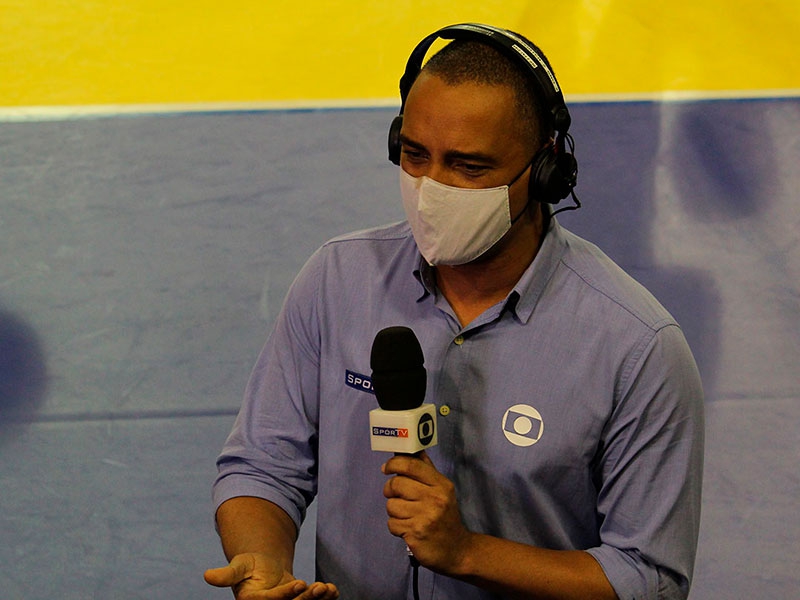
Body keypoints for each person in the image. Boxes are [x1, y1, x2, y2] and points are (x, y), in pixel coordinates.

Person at [204, 23, 704, 600]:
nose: (432, 188)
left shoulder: (637, 347)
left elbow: (650, 579)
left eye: (468, 167)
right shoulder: (335, 282)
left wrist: (467, 552)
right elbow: (263, 466)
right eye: (415, 156)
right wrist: (263, 562)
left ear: (546, 168)